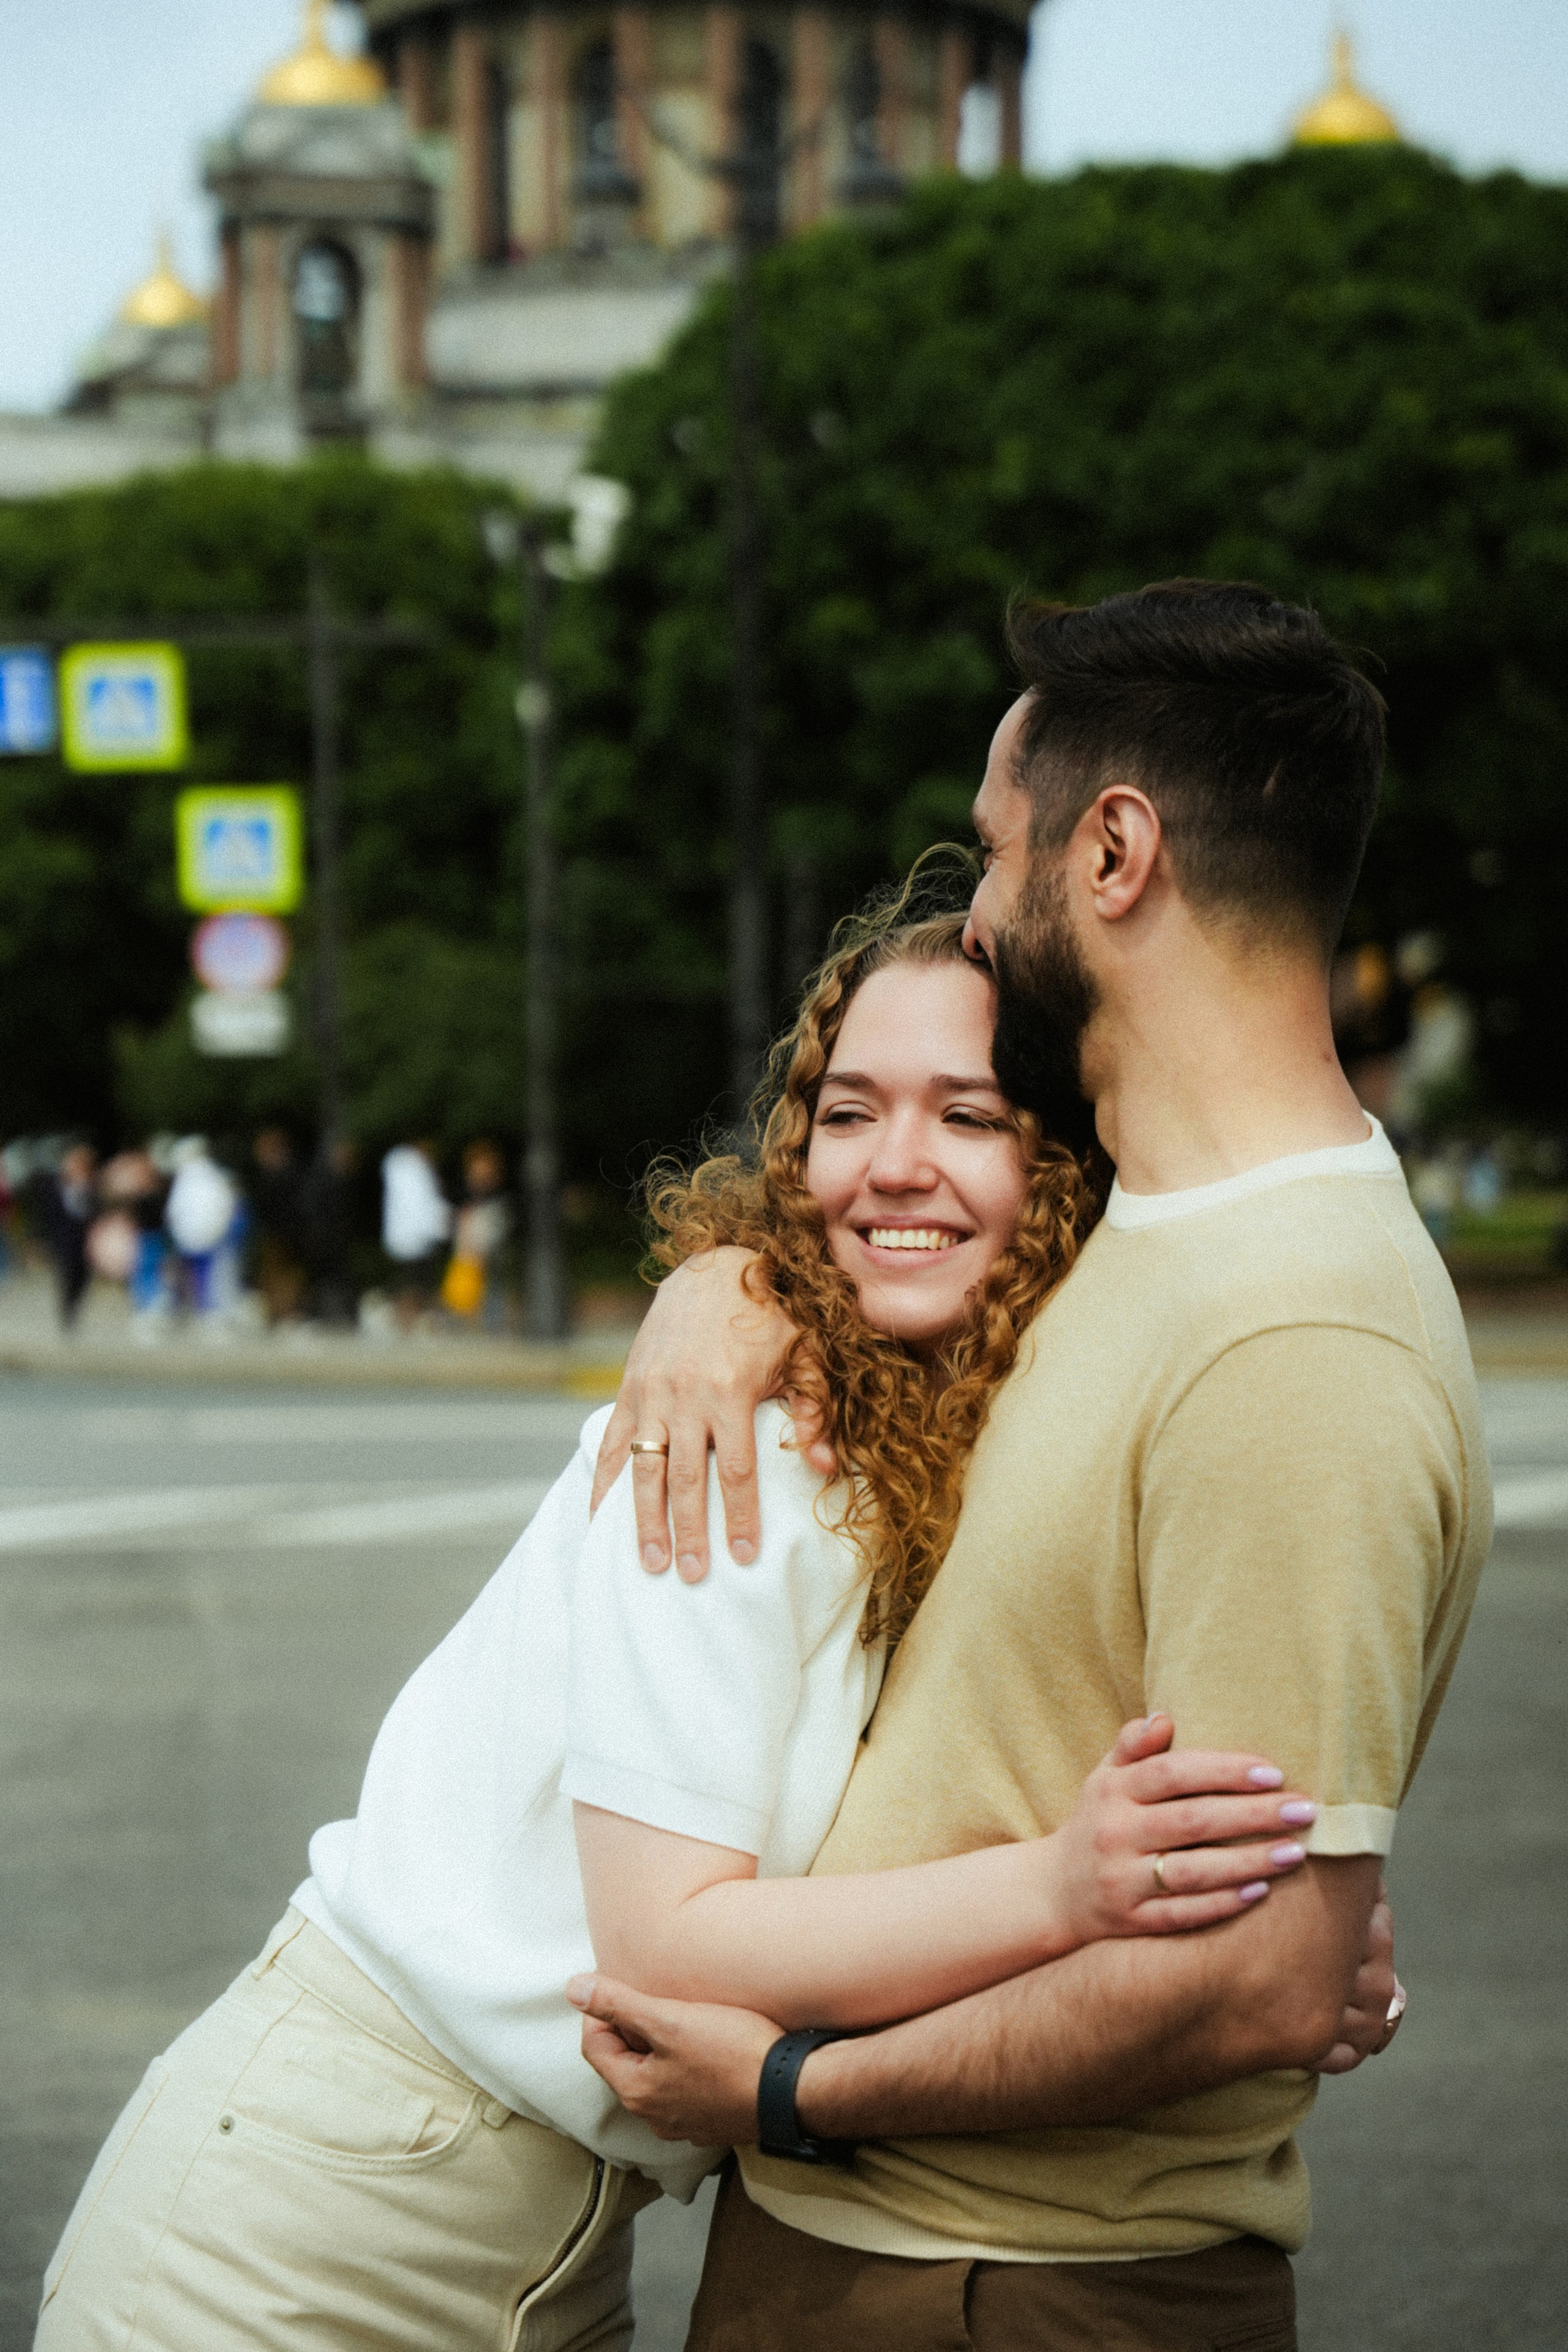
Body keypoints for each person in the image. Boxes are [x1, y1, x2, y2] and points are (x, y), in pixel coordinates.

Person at [34, 910, 1362, 2352]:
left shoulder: (956, 1451)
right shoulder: (741, 1443)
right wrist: (1061, 1892)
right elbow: (665, 1949)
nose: (891, 1160)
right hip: (307, 2216)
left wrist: (1262, 1916)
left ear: (1065, 1162)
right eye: (846, 1110)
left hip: (539, 2231)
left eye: (967, 1115)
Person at [571, 581, 1484, 2351]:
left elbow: (1256, 1977)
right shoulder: (1140, 1228)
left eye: (998, 853)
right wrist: (730, 1280)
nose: (980, 918)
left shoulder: (1297, 1331)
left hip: (1014, 2285)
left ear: (1113, 852)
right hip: (889, 2256)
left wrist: (794, 2091)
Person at [380, 1139, 451, 1329]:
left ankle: (412, 1315)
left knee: (416, 1279)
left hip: (413, 1237)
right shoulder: (411, 1169)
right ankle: (407, 1315)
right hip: (413, 1236)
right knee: (413, 1279)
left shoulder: (407, 1169)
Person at [36, 1142, 97, 1329]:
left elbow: (94, 1212)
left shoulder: (91, 1187)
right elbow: (47, 1215)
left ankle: (73, 1308)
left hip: (85, 1240)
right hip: (62, 1239)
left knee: (82, 1277)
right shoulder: (55, 1186)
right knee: (67, 1274)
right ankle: (66, 1312)